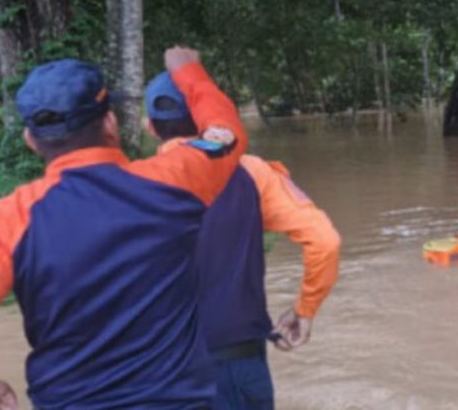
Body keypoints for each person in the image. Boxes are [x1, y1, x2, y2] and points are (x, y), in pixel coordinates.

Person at [0, 47, 247, 409]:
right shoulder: (175, 181)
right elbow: (226, 135)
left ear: (30, 140)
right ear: (110, 124)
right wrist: (190, 72)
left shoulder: (6, 222)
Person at [144, 73, 341, 410]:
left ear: (150, 127)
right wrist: (303, 311)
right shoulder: (253, 173)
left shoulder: (127, 185)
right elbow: (325, 241)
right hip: (239, 366)